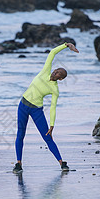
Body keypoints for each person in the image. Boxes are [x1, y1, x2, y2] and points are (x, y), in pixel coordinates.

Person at [13, 42, 79, 173]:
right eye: (57, 69)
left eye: (59, 73)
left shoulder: (54, 89)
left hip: (36, 110)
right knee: (20, 134)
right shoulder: (45, 71)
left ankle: (62, 163)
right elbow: (52, 53)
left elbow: (53, 107)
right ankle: (18, 164)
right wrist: (66, 45)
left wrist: (52, 125)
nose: (56, 71)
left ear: (60, 78)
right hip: (23, 106)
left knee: (47, 137)